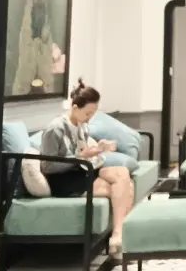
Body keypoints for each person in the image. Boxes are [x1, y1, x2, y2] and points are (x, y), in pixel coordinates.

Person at [40, 79, 134, 255]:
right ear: (75, 107)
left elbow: (83, 153)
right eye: (88, 113)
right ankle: (118, 240)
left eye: (93, 113)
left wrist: (98, 149)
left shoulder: (81, 125)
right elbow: (47, 166)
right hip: (63, 180)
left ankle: (118, 235)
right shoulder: (55, 129)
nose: (90, 118)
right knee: (125, 187)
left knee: (122, 173)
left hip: (81, 171)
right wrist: (81, 157)